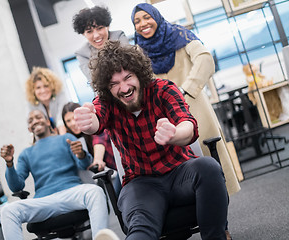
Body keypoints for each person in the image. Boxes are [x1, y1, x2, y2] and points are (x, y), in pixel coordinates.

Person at [73, 41, 230, 240]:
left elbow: (187, 124)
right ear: (107, 88)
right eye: (114, 84)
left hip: (180, 172)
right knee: (141, 227)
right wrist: (89, 123)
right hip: (141, 183)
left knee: (208, 166)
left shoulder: (163, 89)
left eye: (128, 77)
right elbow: (97, 119)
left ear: (139, 73)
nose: (124, 88)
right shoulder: (107, 103)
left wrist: (174, 134)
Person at [131, 3, 240, 196]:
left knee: (211, 160)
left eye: (146, 17)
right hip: (164, 119)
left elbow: (205, 59)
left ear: (156, 16)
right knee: (182, 171)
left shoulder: (179, 35)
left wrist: (185, 89)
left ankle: (220, 220)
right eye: (137, 21)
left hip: (194, 107)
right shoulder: (138, 52)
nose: (143, 24)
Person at [0, 109, 108, 240]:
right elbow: (16, 187)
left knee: (95, 191)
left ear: (47, 121)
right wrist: (9, 164)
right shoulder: (26, 153)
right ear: (29, 128)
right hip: (43, 201)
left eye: (38, 117)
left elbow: (84, 165)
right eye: (31, 120)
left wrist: (81, 154)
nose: (35, 121)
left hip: (72, 193)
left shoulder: (65, 139)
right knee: (7, 210)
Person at [62, 102, 122, 194]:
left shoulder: (93, 128)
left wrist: (98, 159)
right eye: (68, 121)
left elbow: (99, 139)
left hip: (125, 165)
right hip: (119, 170)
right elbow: (84, 163)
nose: (73, 123)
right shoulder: (77, 141)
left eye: (74, 118)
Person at [72, 5, 130, 81]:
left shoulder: (118, 36)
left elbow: (129, 64)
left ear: (108, 26)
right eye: (89, 31)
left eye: (99, 28)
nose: (96, 35)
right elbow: (94, 80)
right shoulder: (82, 53)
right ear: (83, 34)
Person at [25, 67, 68, 135]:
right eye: (38, 88)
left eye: (46, 86)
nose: (43, 91)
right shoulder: (31, 104)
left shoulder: (60, 95)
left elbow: (61, 121)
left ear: (52, 86)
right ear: (33, 91)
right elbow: (33, 127)